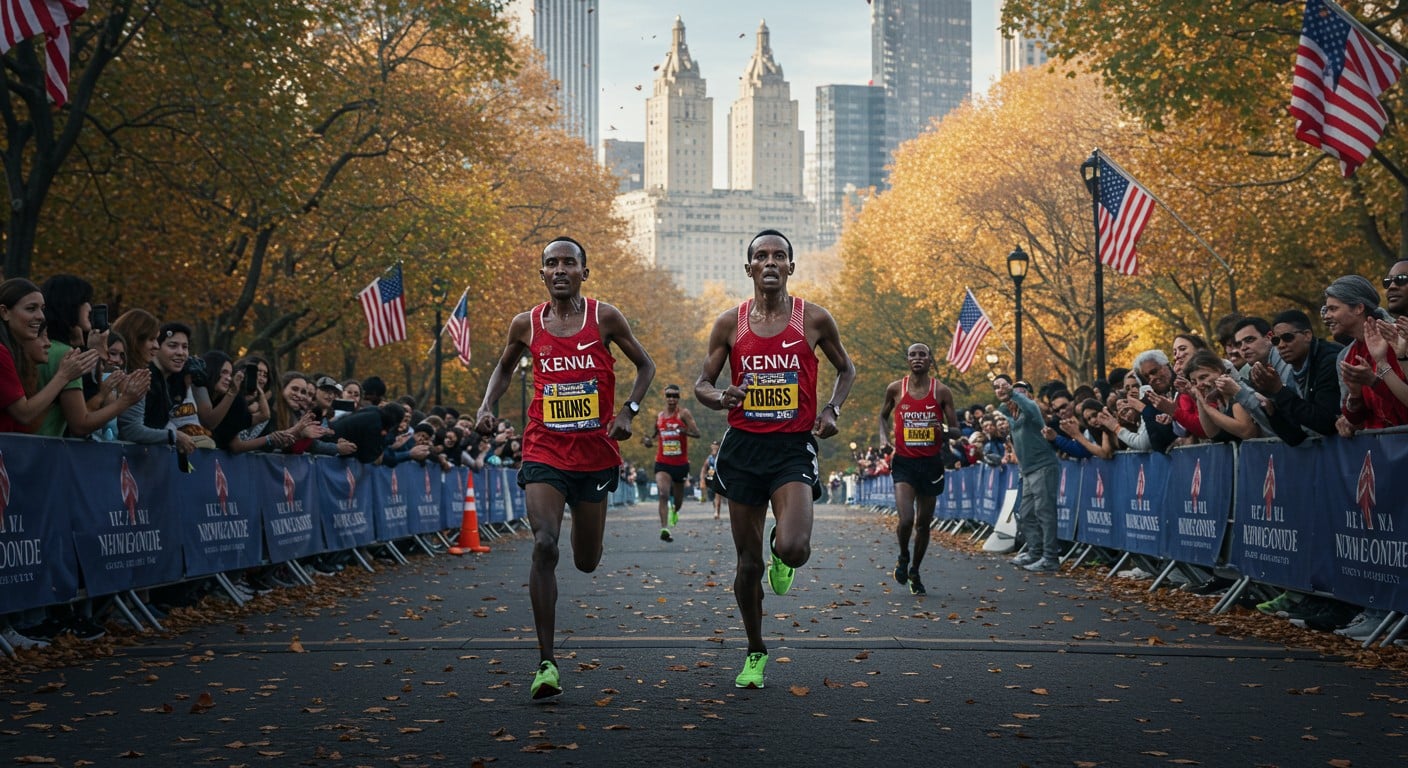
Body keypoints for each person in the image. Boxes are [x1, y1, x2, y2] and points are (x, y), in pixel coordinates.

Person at [474, 236, 655, 702]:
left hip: (594, 453)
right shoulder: (526, 324)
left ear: (583, 272)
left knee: (586, 560)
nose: (559, 270)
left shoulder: (605, 318)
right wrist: (486, 405)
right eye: (551, 264)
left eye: (568, 263)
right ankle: (546, 662)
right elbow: (503, 368)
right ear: (542, 273)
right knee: (544, 544)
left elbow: (645, 366)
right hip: (545, 448)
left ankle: (583, 534)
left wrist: (628, 412)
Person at [693, 229, 856, 690]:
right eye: (761, 256)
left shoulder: (814, 319)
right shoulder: (730, 323)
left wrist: (831, 409)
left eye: (779, 256)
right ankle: (755, 649)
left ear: (790, 266)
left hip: (791, 447)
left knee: (794, 548)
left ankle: (779, 551)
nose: (770, 262)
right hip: (744, 447)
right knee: (747, 567)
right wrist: (721, 395)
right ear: (748, 269)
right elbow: (702, 384)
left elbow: (846, 368)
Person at [877, 342, 956, 596]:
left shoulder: (941, 391)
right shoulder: (895, 388)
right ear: (908, 360)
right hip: (904, 463)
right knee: (906, 519)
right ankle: (903, 556)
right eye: (913, 354)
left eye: (923, 354)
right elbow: (882, 416)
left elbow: (956, 430)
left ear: (930, 360)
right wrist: (883, 439)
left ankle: (915, 570)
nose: (918, 358)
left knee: (923, 524)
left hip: (931, 464)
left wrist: (941, 430)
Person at [994, 375, 1061, 572]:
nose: (1018, 393)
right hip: (1028, 470)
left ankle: (1050, 557)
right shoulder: (1012, 416)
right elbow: (1003, 411)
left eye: (1022, 390)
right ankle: (1035, 552)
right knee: (1025, 514)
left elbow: (1030, 406)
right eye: (1016, 390)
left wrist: (1013, 393)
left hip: (1043, 466)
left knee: (1044, 512)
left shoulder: (1032, 411)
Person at [642, 384, 700, 541]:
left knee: (678, 501)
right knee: (663, 494)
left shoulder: (684, 414)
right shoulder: (660, 417)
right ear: (665, 397)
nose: (672, 398)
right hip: (663, 463)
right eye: (669, 395)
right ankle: (664, 528)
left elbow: (697, 433)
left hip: (680, 465)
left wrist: (685, 431)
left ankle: (675, 511)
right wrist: (647, 442)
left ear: (678, 398)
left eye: (675, 395)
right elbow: (653, 438)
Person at [699, 440, 723, 520]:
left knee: (718, 494)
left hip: (719, 474)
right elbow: (704, 468)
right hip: (711, 473)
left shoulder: (722, 456)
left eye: (716, 445)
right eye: (713, 445)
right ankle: (704, 498)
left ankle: (716, 512)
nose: (714, 447)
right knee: (709, 491)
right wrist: (702, 478)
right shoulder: (709, 458)